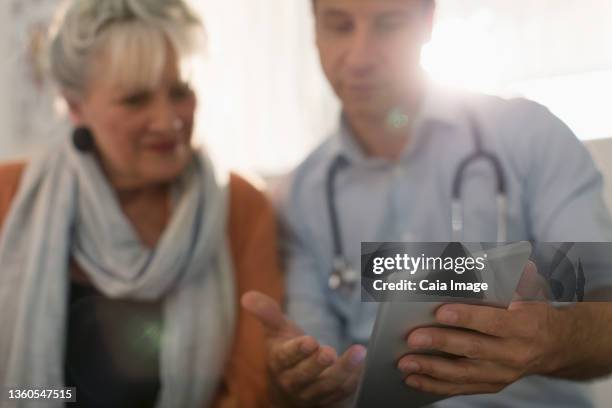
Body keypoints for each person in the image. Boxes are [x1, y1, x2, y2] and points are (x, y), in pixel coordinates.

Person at [242, 0, 612, 407]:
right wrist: (301, 375)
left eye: (388, 25)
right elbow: (321, 354)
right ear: (314, 30)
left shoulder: (528, 137)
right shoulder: (300, 198)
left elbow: (603, 301)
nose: (361, 56)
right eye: (339, 25)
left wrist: (553, 338)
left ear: (428, 23)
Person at [0, 0, 282, 407]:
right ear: (76, 107)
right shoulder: (11, 198)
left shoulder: (240, 207)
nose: (168, 121)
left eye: (180, 91)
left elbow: (251, 388)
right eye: (135, 100)